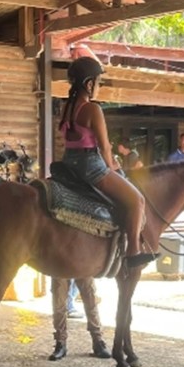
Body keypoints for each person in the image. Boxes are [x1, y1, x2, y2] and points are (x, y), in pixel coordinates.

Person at [59, 56, 159, 268]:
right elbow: (104, 147)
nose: (99, 86)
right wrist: (113, 166)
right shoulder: (92, 109)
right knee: (137, 200)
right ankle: (133, 250)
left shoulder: (65, 107)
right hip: (91, 165)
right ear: (89, 84)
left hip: (69, 162)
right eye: (98, 82)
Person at [49, 277, 111, 361]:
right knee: (59, 302)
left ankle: (97, 341)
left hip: (83, 267)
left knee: (90, 300)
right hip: (60, 267)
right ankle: (60, 342)